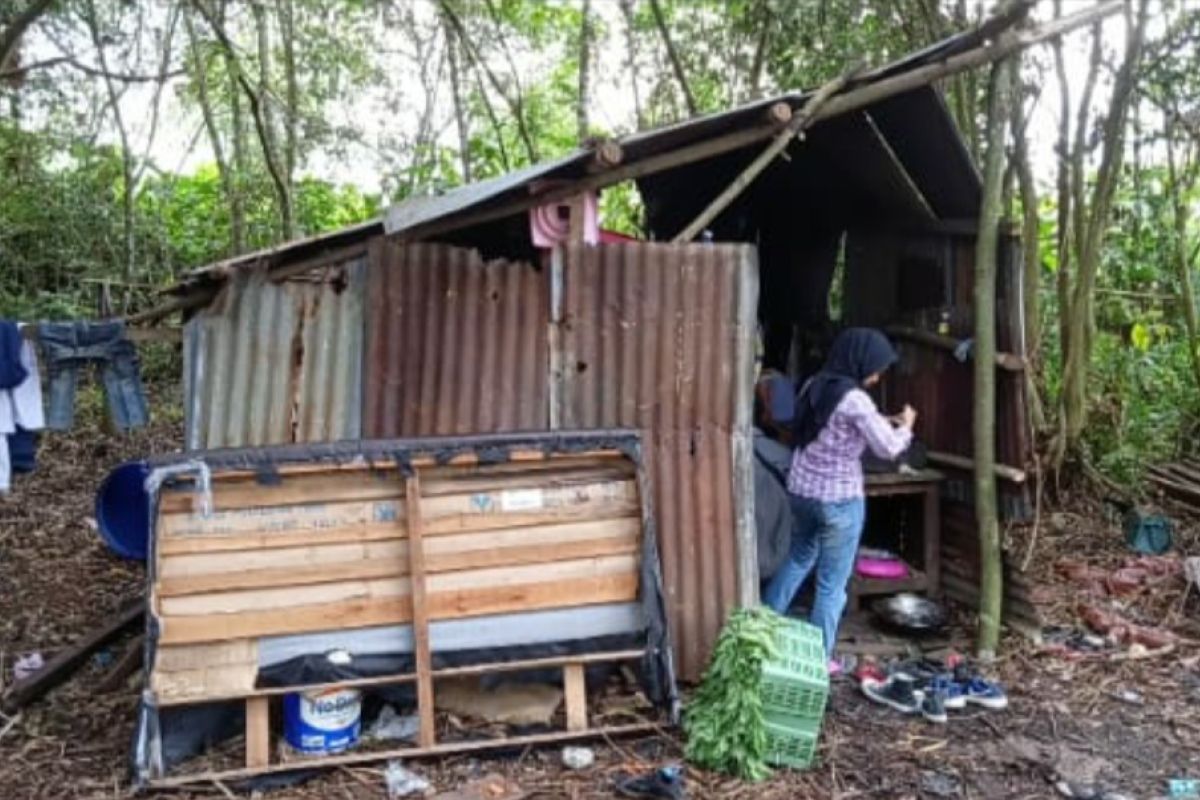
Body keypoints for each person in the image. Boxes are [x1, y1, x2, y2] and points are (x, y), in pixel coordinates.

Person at [762, 328, 916, 673]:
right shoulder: (856, 400)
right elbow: (888, 448)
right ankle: (819, 661)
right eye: (875, 368)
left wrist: (880, 420)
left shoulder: (814, 385)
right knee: (832, 585)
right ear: (859, 361)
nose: (876, 376)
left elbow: (824, 426)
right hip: (838, 502)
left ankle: (760, 630)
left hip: (802, 493)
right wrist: (906, 425)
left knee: (798, 558)